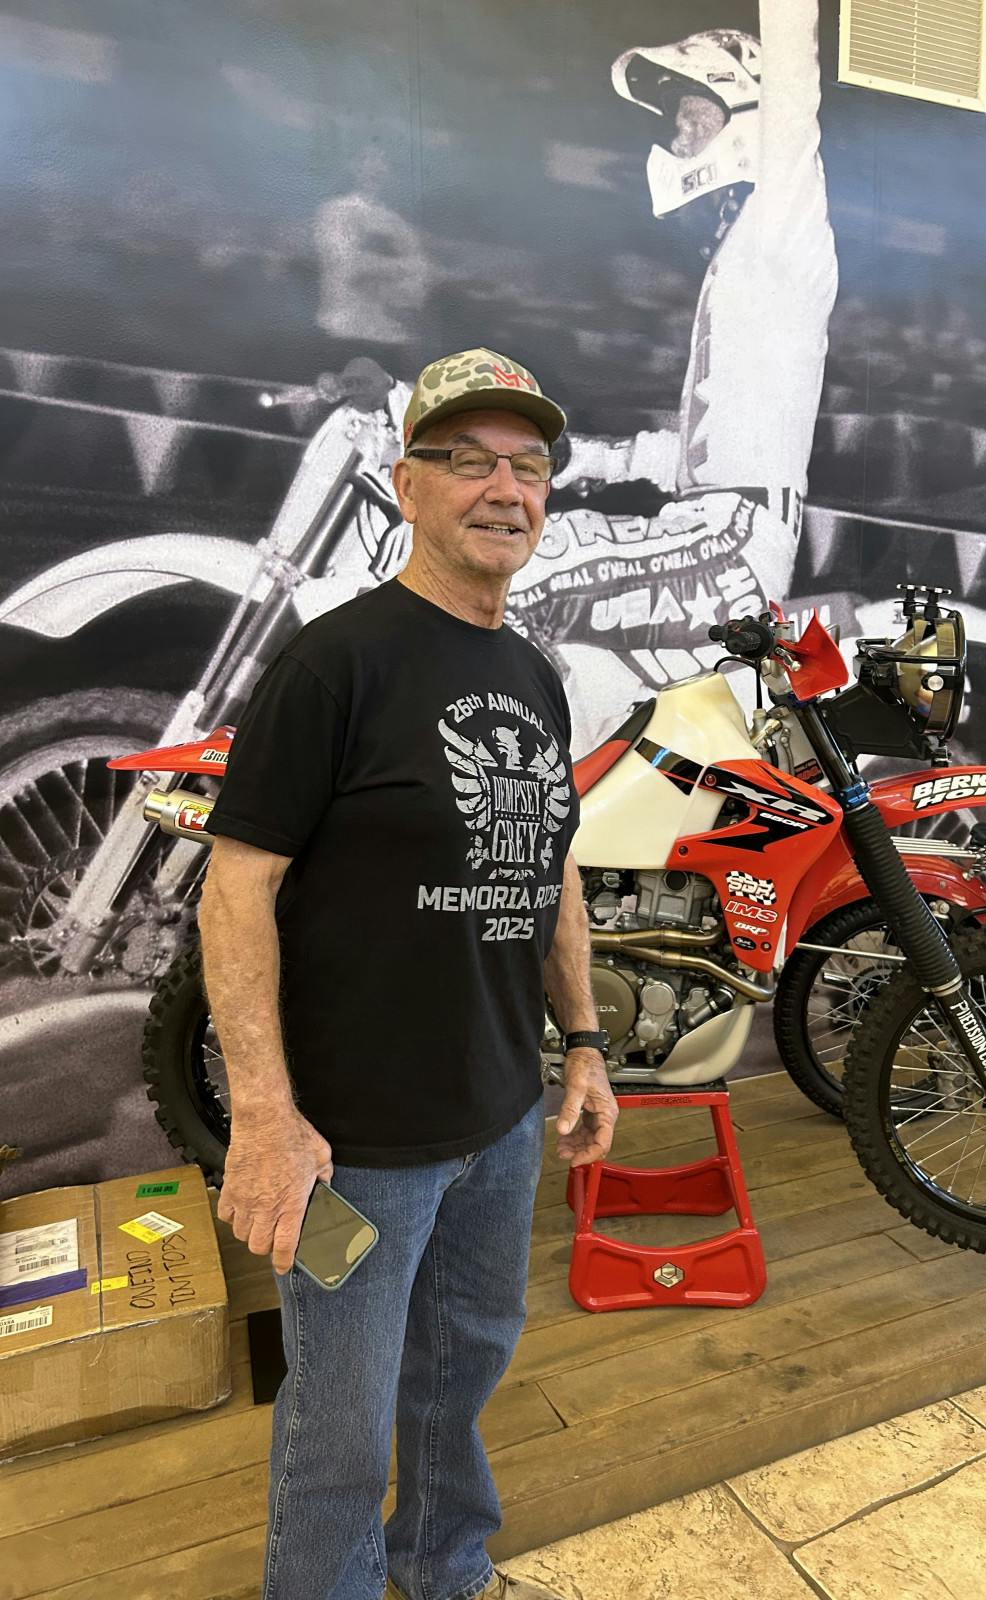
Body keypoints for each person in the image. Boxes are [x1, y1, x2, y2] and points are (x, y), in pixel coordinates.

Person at [201, 347, 619, 1600]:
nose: (506, 488)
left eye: (529, 465)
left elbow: (547, 869)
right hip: (357, 1146)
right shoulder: (338, 662)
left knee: (463, 1373)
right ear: (407, 486)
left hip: (496, 1118)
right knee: (338, 1430)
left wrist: (586, 1042)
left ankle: (446, 1568)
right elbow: (236, 890)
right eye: (470, 460)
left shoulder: (534, 674)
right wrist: (266, 1115)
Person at [506, 2, 839, 752]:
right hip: (714, 524)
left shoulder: (783, 227)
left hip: (729, 537)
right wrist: (582, 459)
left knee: (518, 570)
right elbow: (698, 450)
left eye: (695, 116)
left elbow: (795, 95)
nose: (679, 136)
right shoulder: (739, 258)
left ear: (749, 118)